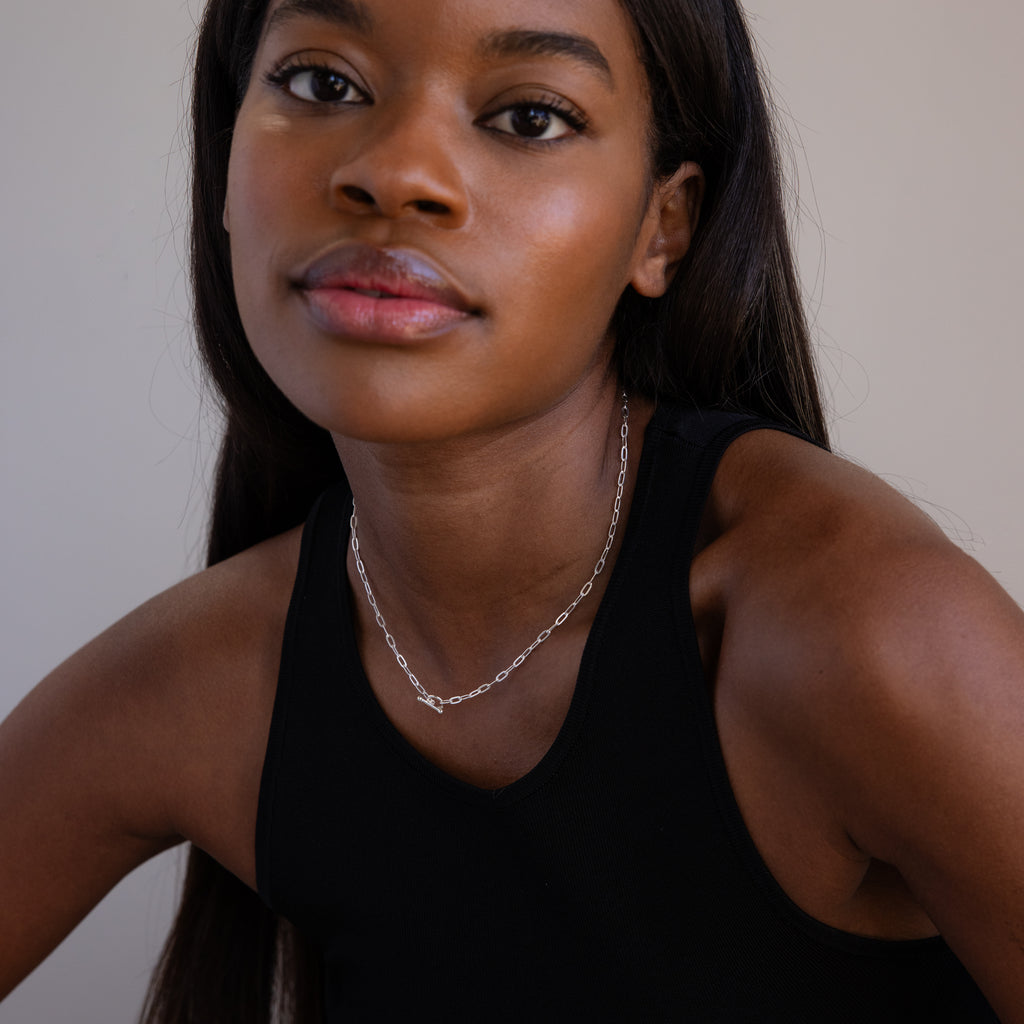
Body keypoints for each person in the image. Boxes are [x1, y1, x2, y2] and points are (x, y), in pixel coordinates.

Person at [2, 0, 1022, 1020]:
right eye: (323, 82)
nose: (394, 173)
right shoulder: (212, 687)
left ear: (662, 226)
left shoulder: (871, 632)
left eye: (530, 117)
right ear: (227, 161)